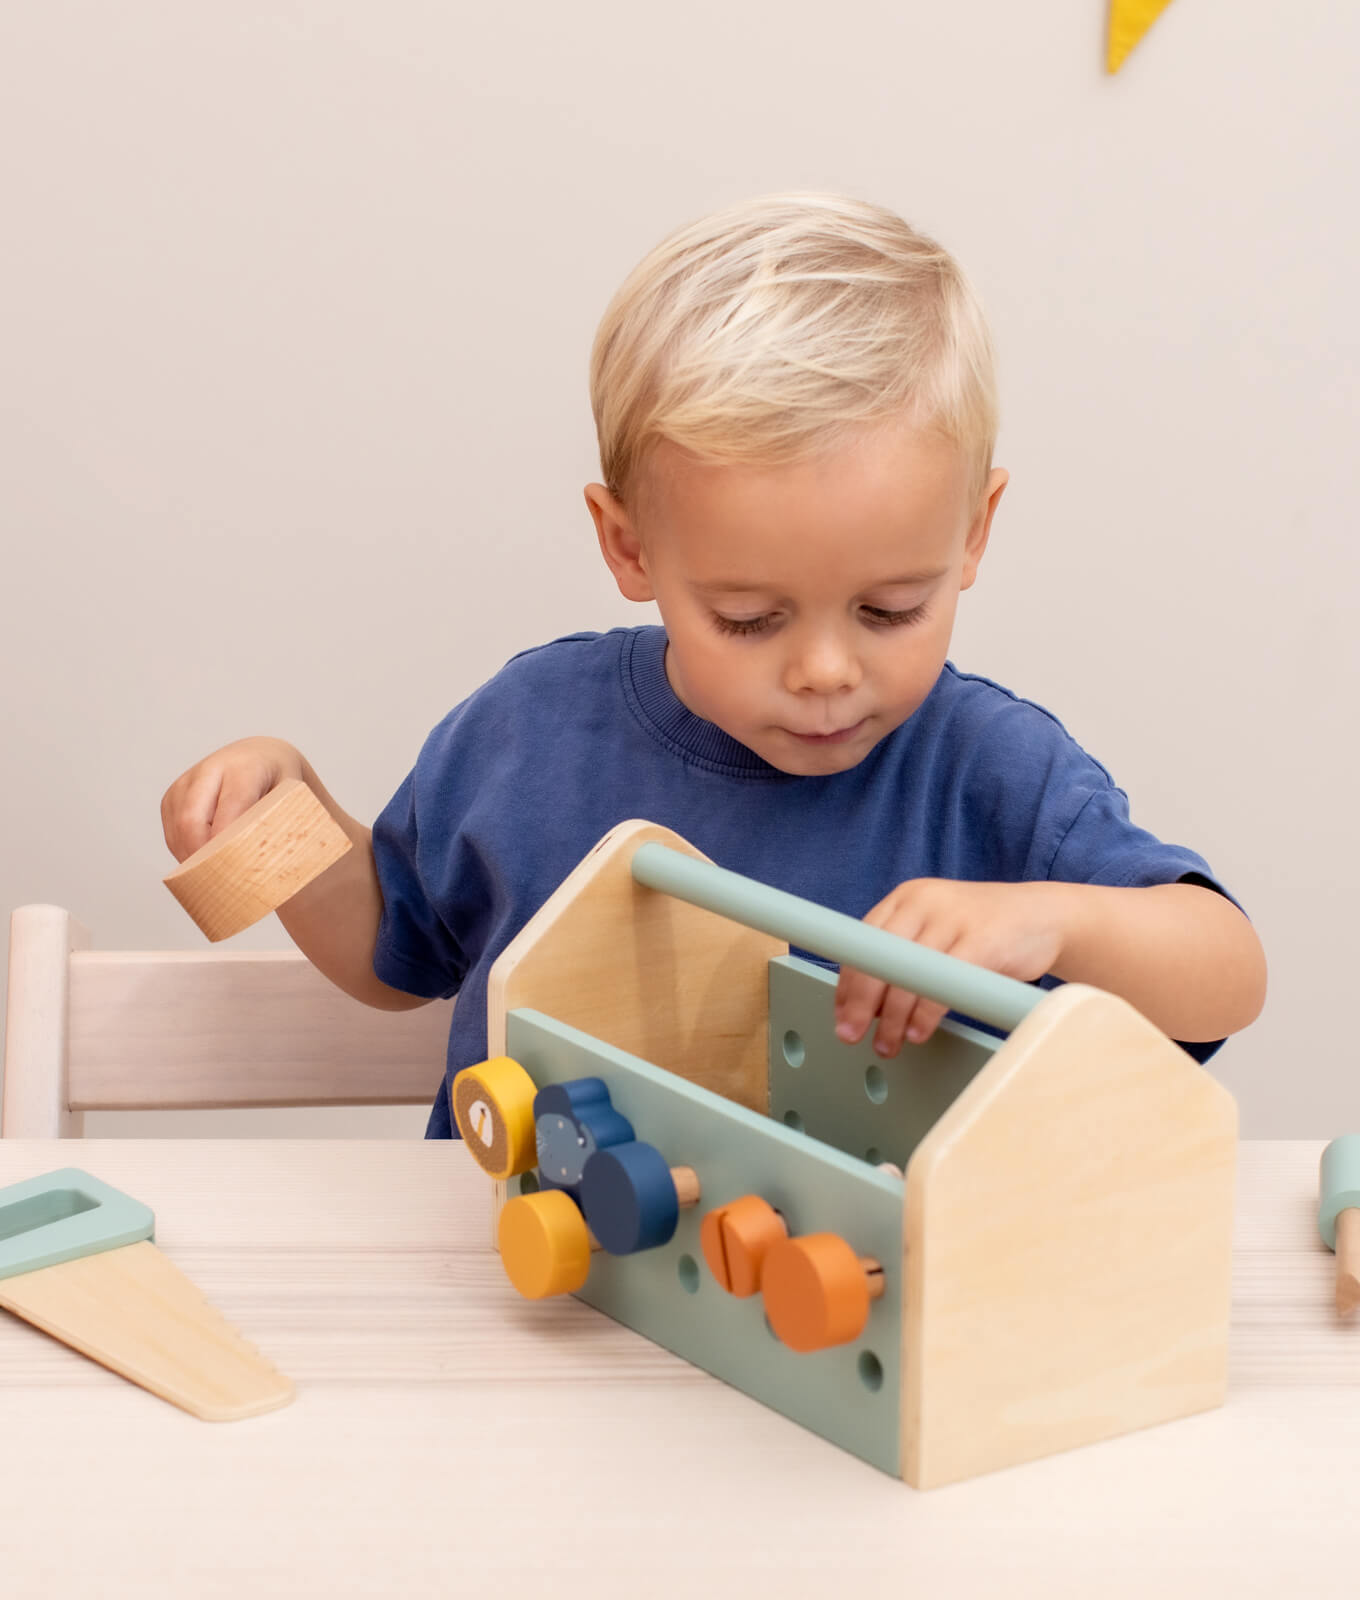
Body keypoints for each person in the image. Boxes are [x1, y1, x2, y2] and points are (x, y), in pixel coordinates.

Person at [160, 193, 1267, 1139]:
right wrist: (287, 816)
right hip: (526, 1305)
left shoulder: (988, 767)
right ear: (630, 547)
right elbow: (390, 954)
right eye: (749, 617)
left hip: (842, 1333)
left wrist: (1055, 921)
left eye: (891, 607)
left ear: (974, 533)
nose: (827, 669)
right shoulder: (528, 729)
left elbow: (1226, 970)